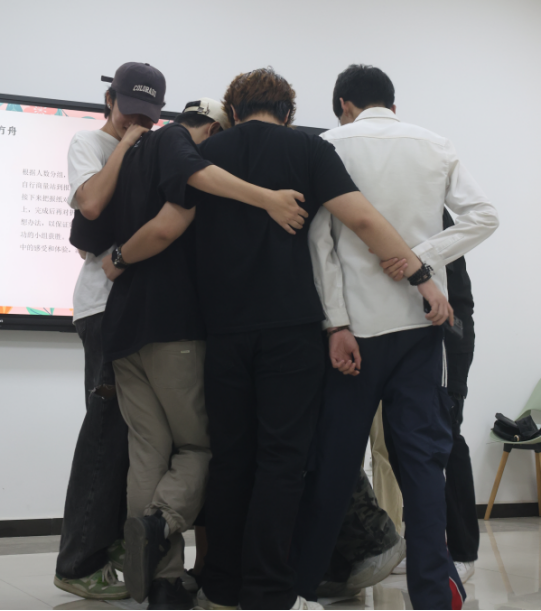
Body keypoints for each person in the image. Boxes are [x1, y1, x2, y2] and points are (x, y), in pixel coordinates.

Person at [115, 66, 453, 611]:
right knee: (283, 461)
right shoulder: (309, 149)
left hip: (223, 332)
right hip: (291, 333)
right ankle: (270, 590)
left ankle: (222, 584)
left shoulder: (208, 155)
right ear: (289, 112)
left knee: (231, 458)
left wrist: (116, 260)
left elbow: (169, 227)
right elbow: (363, 221)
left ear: (232, 110)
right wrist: (419, 273)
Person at [291, 64, 499, 610]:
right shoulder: (434, 145)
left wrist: (335, 323)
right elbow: (484, 216)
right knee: (423, 467)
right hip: (420, 328)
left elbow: (321, 246)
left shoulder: (329, 145)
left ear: (343, 105)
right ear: (393, 104)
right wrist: (420, 257)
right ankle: (432, 595)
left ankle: (301, 587)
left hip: (355, 335)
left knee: (334, 465)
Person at [95, 96, 311, 611]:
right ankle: (158, 523)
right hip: (173, 327)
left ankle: (165, 584)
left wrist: (117, 257)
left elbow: (88, 226)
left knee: (148, 453)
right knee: (203, 449)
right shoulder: (177, 146)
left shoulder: (130, 157)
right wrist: (268, 199)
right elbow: (169, 225)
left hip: (122, 328)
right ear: (214, 130)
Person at [54, 61, 160, 602]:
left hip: (139, 309)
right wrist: (126, 146)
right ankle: (78, 562)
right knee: (104, 435)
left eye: (146, 116)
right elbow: (92, 204)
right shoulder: (88, 143)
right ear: (110, 101)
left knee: (132, 438)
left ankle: (112, 543)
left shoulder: (152, 150)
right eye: (128, 111)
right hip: (101, 308)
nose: (134, 122)